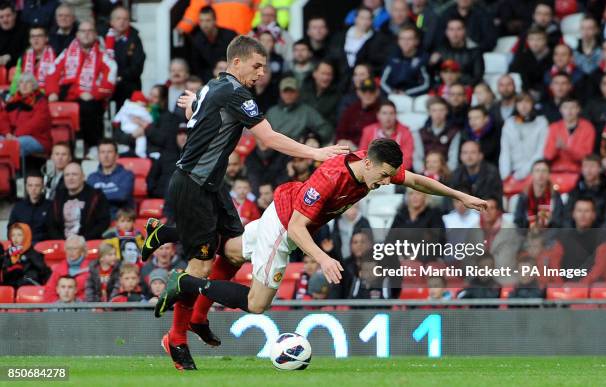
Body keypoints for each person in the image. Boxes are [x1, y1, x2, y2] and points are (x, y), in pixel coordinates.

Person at [153, 139, 487, 356]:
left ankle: (172, 238)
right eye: (384, 176)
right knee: (257, 304)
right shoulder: (330, 177)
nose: (386, 183)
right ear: (369, 164)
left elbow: (414, 179)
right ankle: (186, 283)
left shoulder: (371, 167)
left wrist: (459, 195)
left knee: (230, 250)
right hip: (284, 226)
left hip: (285, 208)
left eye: (389, 176)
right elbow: (297, 228)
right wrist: (324, 258)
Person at [140, 35, 348, 370]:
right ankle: (176, 339)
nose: (262, 73)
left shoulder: (213, 86)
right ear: (236, 63)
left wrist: (194, 104)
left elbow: (200, 117)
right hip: (192, 185)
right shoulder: (235, 92)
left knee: (235, 251)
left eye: (264, 66)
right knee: (200, 267)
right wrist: (316, 153)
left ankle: (194, 307)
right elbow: (267, 138)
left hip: (211, 185)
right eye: (257, 65)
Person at [46, 20, 117, 149]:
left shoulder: (103, 55)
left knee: (88, 108)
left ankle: (91, 147)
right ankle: (57, 147)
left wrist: (94, 94)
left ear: (95, 35)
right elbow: (52, 72)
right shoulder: (67, 52)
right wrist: (52, 92)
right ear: (77, 35)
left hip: (91, 97)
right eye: (83, 31)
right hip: (68, 94)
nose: (86, 34)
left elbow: (109, 83)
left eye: (90, 31)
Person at [46, 162, 111, 240]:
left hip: (88, 243)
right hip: (63, 244)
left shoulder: (96, 196)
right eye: (67, 175)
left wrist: (83, 239)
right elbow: (51, 225)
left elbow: (103, 222)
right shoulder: (58, 197)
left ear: (83, 177)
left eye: (74, 174)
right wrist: (62, 242)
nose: (70, 178)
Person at [499, 93, 548, 193]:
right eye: (520, 102)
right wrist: (505, 175)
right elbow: (505, 151)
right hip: (512, 174)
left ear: (532, 104)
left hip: (534, 173)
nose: (524, 105)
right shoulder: (509, 123)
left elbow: (541, 151)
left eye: (527, 102)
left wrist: (524, 171)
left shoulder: (542, 122)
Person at [266, 76, 334, 144]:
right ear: (280, 93)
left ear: (298, 92)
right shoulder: (271, 112)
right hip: (273, 149)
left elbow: (326, 128)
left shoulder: (307, 111)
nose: (289, 95)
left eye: (292, 91)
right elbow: (262, 133)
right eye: (285, 91)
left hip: (296, 149)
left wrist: (314, 138)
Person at [0, 73, 52, 157]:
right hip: (11, 136)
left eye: (27, 82)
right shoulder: (13, 100)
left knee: (16, 144)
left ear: (33, 85)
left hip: (37, 138)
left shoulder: (41, 101)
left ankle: (16, 170)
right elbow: (3, 118)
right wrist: (7, 133)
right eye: (21, 82)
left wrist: (16, 135)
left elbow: (36, 123)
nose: (24, 85)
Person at [107, 6, 146, 108]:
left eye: (125, 19)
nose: (122, 22)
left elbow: (137, 66)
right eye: (118, 19)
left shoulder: (135, 39)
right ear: (111, 21)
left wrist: (120, 76)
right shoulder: (105, 37)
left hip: (126, 82)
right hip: (107, 81)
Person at [359, 100, 415, 169]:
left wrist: (388, 171)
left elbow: (407, 161)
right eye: (384, 113)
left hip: (397, 174)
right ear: (378, 115)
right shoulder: (368, 131)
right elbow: (361, 156)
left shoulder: (406, 133)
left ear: (395, 115)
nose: (388, 117)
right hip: (371, 172)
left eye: (391, 113)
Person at [544, 98, 595, 173]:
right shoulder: (553, 127)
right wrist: (556, 148)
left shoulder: (588, 127)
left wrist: (566, 149)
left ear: (578, 109)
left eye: (573, 107)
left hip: (580, 172)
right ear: (560, 110)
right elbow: (548, 156)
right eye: (565, 107)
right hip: (556, 171)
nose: (569, 111)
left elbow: (586, 157)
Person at [86, 139, 135, 218]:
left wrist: (97, 197)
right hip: (96, 221)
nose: (106, 156)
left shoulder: (127, 175)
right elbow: (87, 199)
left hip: (119, 221)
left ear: (116, 155)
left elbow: (122, 196)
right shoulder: (92, 178)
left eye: (109, 152)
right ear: (98, 156)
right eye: (102, 152)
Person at [429, 17, 483, 87]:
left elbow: (477, 76)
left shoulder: (475, 51)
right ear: (446, 32)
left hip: (466, 89)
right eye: (451, 29)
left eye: (459, 29)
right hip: (443, 90)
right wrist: (431, 64)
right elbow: (433, 76)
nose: (455, 33)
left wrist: (460, 88)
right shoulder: (440, 50)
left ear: (465, 31)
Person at [412, 96, 461, 173]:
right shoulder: (420, 132)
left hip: (446, 175)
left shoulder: (454, 132)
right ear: (429, 112)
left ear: (446, 111)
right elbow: (417, 159)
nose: (438, 113)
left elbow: (453, 161)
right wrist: (426, 173)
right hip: (424, 175)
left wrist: (442, 174)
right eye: (434, 110)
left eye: (441, 110)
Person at [190, 6, 237, 84]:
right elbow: (197, 67)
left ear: (215, 21)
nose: (204, 24)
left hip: (231, 78)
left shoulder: (230, 36)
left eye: (208, 20)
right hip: (208, 81)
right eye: (201, 21)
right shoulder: (197, 41)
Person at [380, 25, 430, 98]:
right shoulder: (392, 58)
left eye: (409, 39)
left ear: (416, 41)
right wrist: (392, 92)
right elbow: (383, 82)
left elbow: (426, 85)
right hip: (392, 95)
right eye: (402, 39)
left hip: (413, 97)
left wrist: (406, 93)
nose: (405, 42)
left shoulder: (423, 59)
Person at [513, 160, 565, 229]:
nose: (541, 174)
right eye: (537, 171)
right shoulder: (524, 196)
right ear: (532, 174)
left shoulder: (555, 196)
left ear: (549, 175)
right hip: (527, 235)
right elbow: (518, 220)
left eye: (544, 171)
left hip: (550, 236)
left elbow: (558, 221)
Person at [449, 140, 503, 206]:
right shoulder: (456, 174)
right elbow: (450, 201)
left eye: (473, 152)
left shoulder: (492, 173)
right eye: (465, 153)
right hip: (463, 213)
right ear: (460, 156)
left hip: (484, 211)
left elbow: (495, 200)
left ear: (481, 155)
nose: (469, 156)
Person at [336, 77, 381, 150]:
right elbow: (340, 131)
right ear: (358, 92)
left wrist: (356, 148)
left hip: (369, 152)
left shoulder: (381, 111)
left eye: (371, 91)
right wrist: (342, 142)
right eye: (364, 91)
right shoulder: (351, 109)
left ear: (377, 92)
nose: (367, 94)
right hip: (346, 148)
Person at [1, 223, 50, 288]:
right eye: (13, 235)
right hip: (9, 288)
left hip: (28, 288)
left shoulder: (34, 255)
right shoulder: (7, 253)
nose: (15, 238)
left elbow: (43, 273)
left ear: (26, 235)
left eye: (19, 235)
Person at [509, 26, 552, 100]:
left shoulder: (553, 56)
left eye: (539, 39)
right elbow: (514, 71)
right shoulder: (522, 56)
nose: (535, 43)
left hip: (547, 93)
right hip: (526, 93)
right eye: (531, 39)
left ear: (545, 40)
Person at [43, 234, 90, 302]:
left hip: (83, 307)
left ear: (82, 250)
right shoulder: (59, 268)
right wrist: (58, 306)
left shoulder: (91, 268)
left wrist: (78, 304)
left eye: (75, 248)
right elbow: (49, 291)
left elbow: (93, 292)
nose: (71, 252)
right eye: (68, 248)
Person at [8, 173, 51, 243]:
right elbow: (11, 229)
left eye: (37, 185)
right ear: (26, 187)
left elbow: (53, 231)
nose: (33, 189)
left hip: (44, 247)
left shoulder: (50, 206)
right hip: (22, 247)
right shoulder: (18, 207)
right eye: (30, 185)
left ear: (43, 187)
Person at [19, 25, 56, 90]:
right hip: (26, 93)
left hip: (46, 94)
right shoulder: (24, 57)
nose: (36, 39)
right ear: (29, 40)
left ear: (47, 38)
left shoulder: (55, 57)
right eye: (32, 36)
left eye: (39, 36)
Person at [0, 2, 29, 68]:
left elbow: (27, 51)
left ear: (15, 15)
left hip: (19, 67)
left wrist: (10, 57)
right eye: (1, 17)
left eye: (8, 16)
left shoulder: (25, 29)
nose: (5, 20)